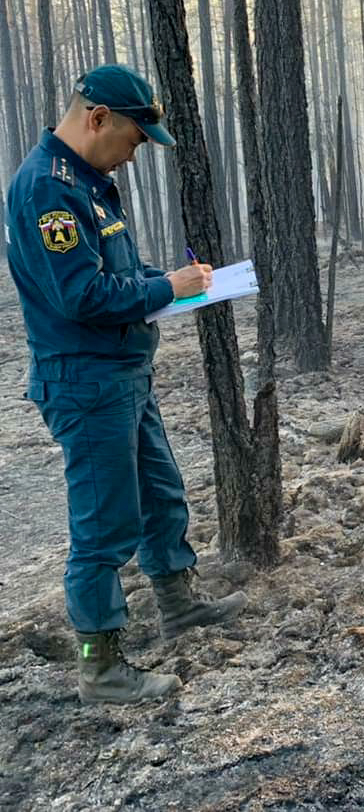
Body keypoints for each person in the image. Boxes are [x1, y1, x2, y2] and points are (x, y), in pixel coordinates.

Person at [6, 64, 248, 706]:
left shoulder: (88, 183)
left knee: (161, 497)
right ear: (97, 120)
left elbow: (115, 264)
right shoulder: (44, 191)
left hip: (123, 371)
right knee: (105, 526)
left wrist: (163, 277)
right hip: (85, 381)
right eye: (135, 140)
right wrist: (165, 290)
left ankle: (179, 607)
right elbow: (80, 293)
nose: (134, 155)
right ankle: (101, 666)